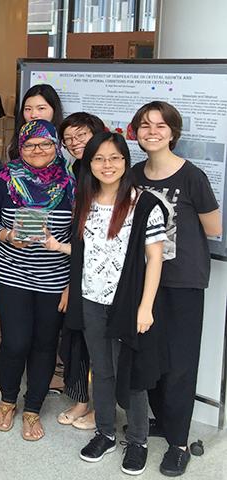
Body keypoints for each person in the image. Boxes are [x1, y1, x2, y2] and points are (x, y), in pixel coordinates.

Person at [47, 132, 169, 476]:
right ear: (89, 165)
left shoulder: (144, 204)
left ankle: (139, 440)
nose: (107, 165)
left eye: (115, 157)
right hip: (90, 299)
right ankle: (105, 433)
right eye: (99, 159)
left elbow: (155, 259)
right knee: (100, 371)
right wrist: (58, 247)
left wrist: (146, 307)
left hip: (127, 304)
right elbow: (88, 253)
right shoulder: (85, 201)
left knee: (131, 375)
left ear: (126, 162)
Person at [130, 101, 221, 476]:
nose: (152, 131)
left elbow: (213, 228)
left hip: (182, 282)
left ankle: (179, 442)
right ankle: (164, 420)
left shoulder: (192, 176)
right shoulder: (133, 174)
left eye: (160, 125)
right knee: (149, 358)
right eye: (145, 125)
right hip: (141, 280)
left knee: (181, 364)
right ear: (135, 132)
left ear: (173, 132)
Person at [0, 119, 74, 442]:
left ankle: (33, 407)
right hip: (12, 274)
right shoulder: (4, 179)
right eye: (30, 144)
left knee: (45, 344)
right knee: (16, 341)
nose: (38, 150)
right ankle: (8, 400)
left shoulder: (72, 183)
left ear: (56, 146)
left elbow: (84, 237)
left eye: (45, 143)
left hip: (54, 279)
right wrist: (7, 235)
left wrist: (71, 281)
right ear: (20, 147)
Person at [54, 111, 106, 431]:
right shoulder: (74, 169)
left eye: (81, 136)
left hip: (101, 266)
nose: (74, 143)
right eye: (68, 138)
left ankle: (101, 410)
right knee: (76, 337)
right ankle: (81, 401)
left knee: (100, 341)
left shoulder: (105, 171)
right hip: (78, 259)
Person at [6, 84, 64, 162]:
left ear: (54, 110)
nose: (33, 115)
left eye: (41, 108)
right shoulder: (14, 146)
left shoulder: (66, 145)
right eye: (28, 109)